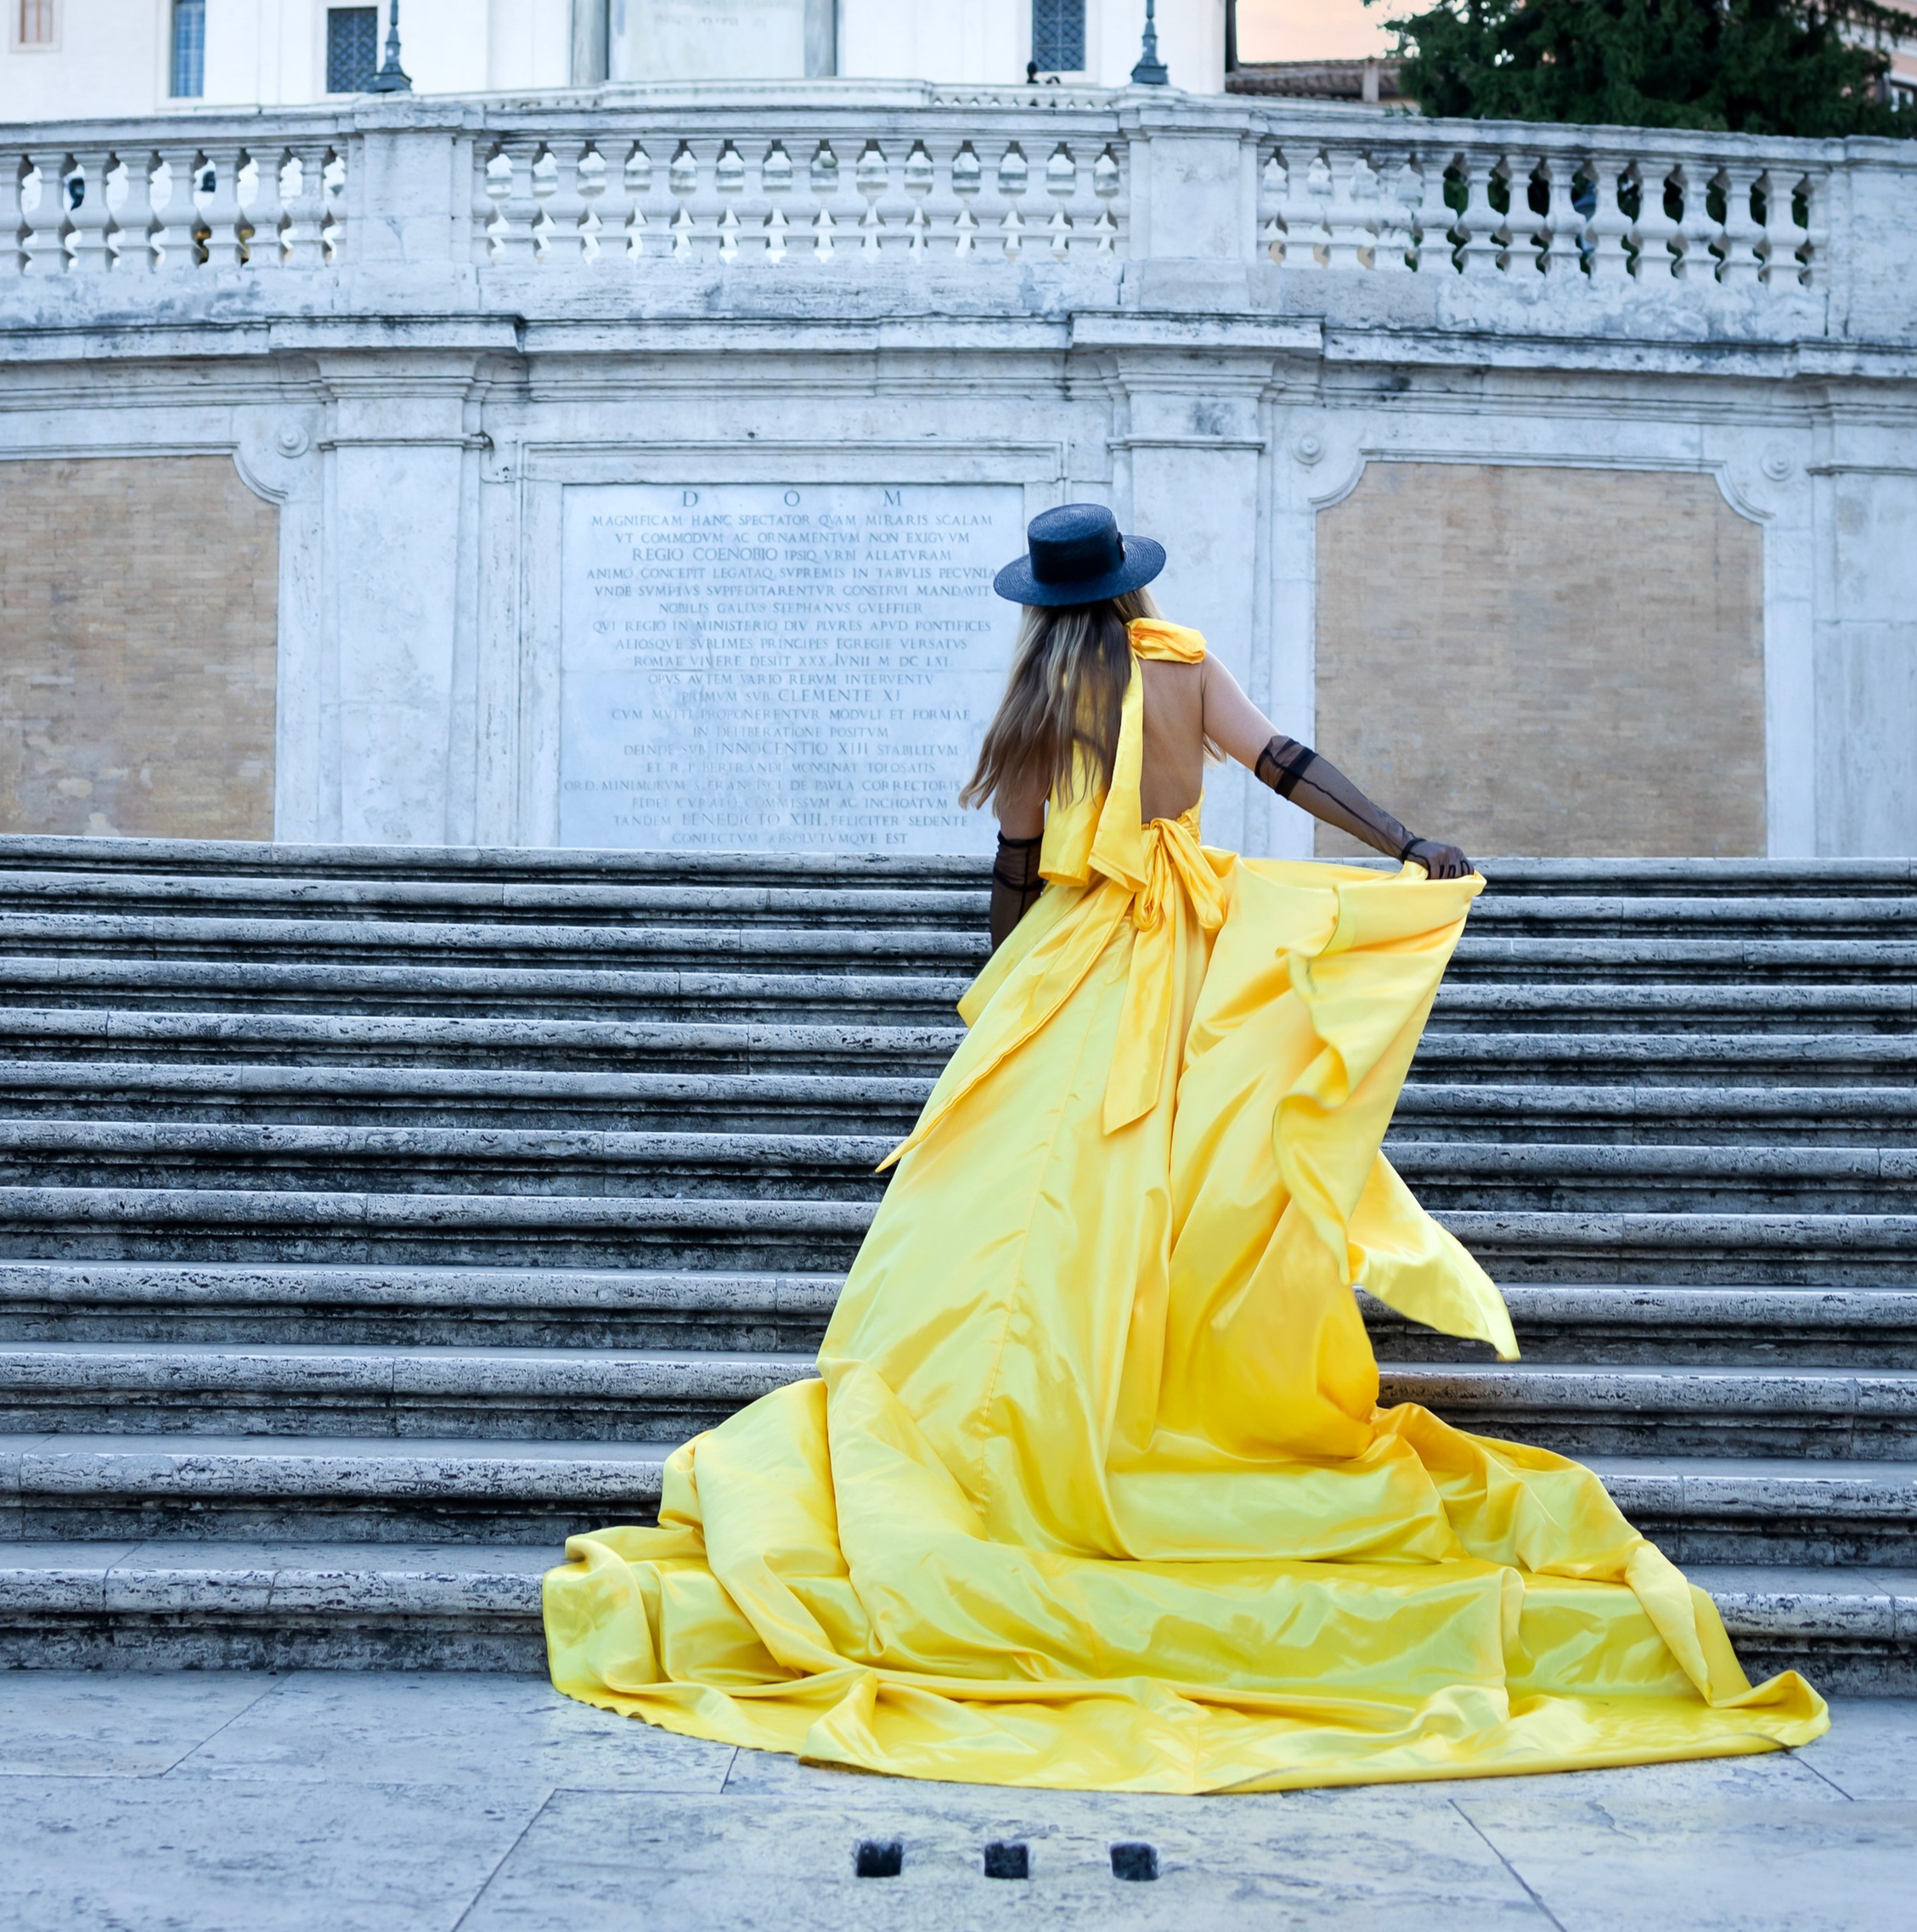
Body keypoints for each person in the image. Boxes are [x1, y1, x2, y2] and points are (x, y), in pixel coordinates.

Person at [545, 503, 1824, 1794]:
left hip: (1082, 961)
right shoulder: (1179, 662)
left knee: (1029, 1197)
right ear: (1126, 588)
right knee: (1196, 1172)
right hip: (1198, 953)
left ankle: (1026, 1430)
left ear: (1042, 605)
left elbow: (1017, 868)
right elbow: (1285, 763)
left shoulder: (1036, 712)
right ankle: (1170, 1399)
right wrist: (1404, 845)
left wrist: (995, 993)